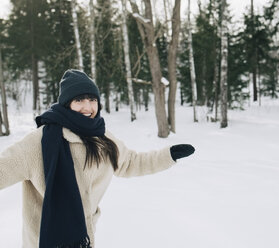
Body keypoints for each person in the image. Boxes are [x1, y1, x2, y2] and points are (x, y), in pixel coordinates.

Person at [0, 69, 195, 248]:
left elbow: (130, 162)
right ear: (67, 104)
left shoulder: (103, 139)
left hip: (84, 239)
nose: (87, 106)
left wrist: (168, 156)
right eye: (79, 100)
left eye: (92, 99)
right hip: (43, 242)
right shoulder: (40, 142)